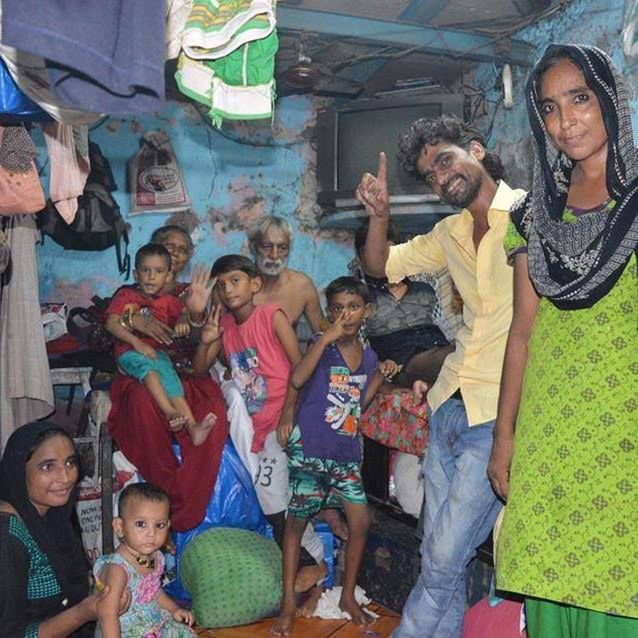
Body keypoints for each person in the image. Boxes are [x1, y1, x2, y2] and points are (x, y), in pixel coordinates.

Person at [488, 44, 638, 637]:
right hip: (550, 430)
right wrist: (505, 436)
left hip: (623, 429)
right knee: (551, 585)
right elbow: (521, 334)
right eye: (549, 108)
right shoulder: (535, 214)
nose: (566, 120)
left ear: (608, 101)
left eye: (579, 99)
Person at [356, 114, 525, 638]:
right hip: (449, 405)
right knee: (436, 555)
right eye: (429, 173)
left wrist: (507, 436)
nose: (440, 175)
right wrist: (379, 216)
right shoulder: (448, 231)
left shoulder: (529, 214)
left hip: (497, 412)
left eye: (445, 158)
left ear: (476, 149)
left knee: (443, 560)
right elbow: (381, 265)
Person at [272, 277, 398, 636]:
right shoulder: (320, 345)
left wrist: (379, 375)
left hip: (345, 454)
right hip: (310, 449)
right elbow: (296, 380)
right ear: (329, 312)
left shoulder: (369, 354)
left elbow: (358, 404)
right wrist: (324, 338)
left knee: (360, 523)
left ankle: (346, 595)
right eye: (338, 308)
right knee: (295, 526)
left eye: (353, 307)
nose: (346, 315)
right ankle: (286, 604)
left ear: (366, 312)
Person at [193, 254, 327, 592]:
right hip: (260, 422)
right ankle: (311, 562)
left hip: (286, 415)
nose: (227, 289)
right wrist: (206, 338)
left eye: (235, 281)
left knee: (271, 490)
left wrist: (288, 415)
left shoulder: (272, 316)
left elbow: (301, 368)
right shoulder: (224, 326)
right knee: (271, 491)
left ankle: (310, 564)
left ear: (254, 285)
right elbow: (198, 370)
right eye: (221, 285)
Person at [107, 224, 228, 532]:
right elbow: (101, 331)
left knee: (210, 404)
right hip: (140, 374)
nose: (175, 252)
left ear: (188, 256)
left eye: (182, 248)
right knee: (142, 403)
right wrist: (132, 322)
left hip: (184, 372)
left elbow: (206, 342)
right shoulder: (130, 294)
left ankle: (187, 505)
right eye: (167, 245)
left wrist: (196, 315)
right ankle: (162, 501)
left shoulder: (188, 295)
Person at [0, 421, 129, 637]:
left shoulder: (51, 514)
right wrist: (83, 613)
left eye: (70, 463)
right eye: (47, 466)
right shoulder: (7, 540)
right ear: (18, 471)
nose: (66, 477)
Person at [105, 243, 216, 445]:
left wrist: (184, 319)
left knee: (172, 383)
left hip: (159, 355)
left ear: (167, 276)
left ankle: (192, 427)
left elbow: (183, 312)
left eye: (158, 272)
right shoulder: (126, 296)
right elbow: (111, 323)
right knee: (150, 371)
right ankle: (170, 412)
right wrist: (137, 343)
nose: (151, 277)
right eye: (145, 271)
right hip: (129, 351)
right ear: (136, 274)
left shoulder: (168, 300)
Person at [353, 218, 452, 386]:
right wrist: (378, 365)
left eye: (387, 253)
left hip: (437, 347)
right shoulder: (359, 296)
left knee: (465, 352)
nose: (381, 259)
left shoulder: (425, 285)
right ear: (362, 257)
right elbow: (356, 344)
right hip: (400, 360)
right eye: (373, 253)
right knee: (451, 360)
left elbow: (446, 324)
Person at [94, 483, 195, 637]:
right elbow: (107, 614)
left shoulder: (156, 557)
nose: (151, 533)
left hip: (153, 621)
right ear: (120, 527)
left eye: (159, 525)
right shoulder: (118, 569)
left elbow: (154, 592)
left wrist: (175, 609)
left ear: (168, 526)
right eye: (141, 524)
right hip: (123, 630)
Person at [248, 216, 324, 333]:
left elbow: (323, 334)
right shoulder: (235, 285)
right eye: (267, 246)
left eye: (282, 248)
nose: (274, 255)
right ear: (253, 247)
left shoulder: (301, 286)